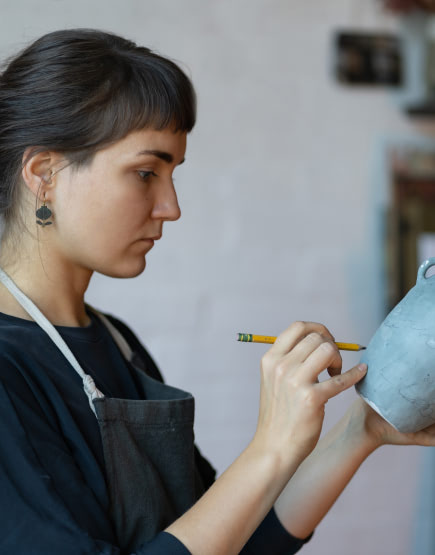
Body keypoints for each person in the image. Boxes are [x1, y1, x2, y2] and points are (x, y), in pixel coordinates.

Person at [0, 28, 433, 555]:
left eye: (172, 174)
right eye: (145, 173)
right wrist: (271, 447)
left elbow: (231, 542)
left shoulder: (116, 341)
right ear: (44, 174)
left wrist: (359, 431)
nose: (171, 207)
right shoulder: (8, 368)